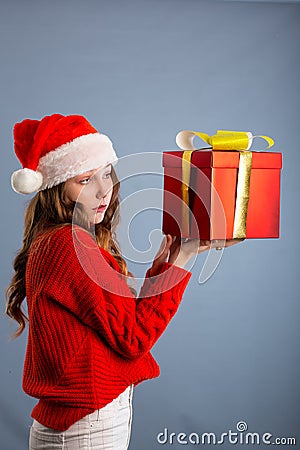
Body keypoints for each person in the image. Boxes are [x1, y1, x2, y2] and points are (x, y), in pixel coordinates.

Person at [5, 113, 241, 450]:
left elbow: (117, 323)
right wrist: (183, 260)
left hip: (81, 422)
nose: (104, 190)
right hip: (85, 427)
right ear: (57, 188)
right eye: (85, 180)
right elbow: (133, 338)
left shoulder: (58, 241)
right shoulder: (71, 246)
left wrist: (165, 264)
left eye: (107, 174)